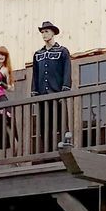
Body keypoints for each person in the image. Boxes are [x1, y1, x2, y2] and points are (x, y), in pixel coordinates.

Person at [30, 21, 72, 152]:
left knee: (61, 124)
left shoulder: (62, 51)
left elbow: (67, 71)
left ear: (53, 33)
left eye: (46, 31)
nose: (44, 34)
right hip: (43, 96)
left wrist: (65, 89)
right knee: (44, 126)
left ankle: (64, 150)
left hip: (57, 94)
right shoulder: (38, 54)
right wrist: (34, 92)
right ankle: (48, 152)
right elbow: (35, 74)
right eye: (42, 32)